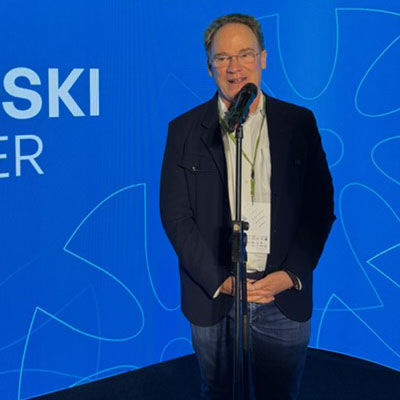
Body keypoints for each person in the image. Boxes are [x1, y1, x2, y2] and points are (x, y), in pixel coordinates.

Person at [159, 13, 335, 400]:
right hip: (216, 297)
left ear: (263, 58)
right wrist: (221, 280)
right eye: (222, 58)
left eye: (245, 54)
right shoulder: (184, 130)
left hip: (281, 296)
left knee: (280, 394)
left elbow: (320, 208)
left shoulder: (299, 123)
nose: (234, 67)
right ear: (209, 66)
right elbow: (176, 216)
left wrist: (290, 275)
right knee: (219, 393)